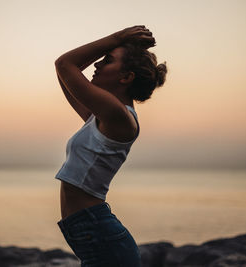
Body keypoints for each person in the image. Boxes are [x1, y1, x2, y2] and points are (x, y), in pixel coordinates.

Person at [54, 25, 167, 267]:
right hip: (92, 232)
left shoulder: (119, 117)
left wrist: (118, 38)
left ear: (126, 78)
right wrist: (117, 44)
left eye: (107, 61)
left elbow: (65, 64)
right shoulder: (102, 118)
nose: (97, 65)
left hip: (99, 235)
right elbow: (64, 71)